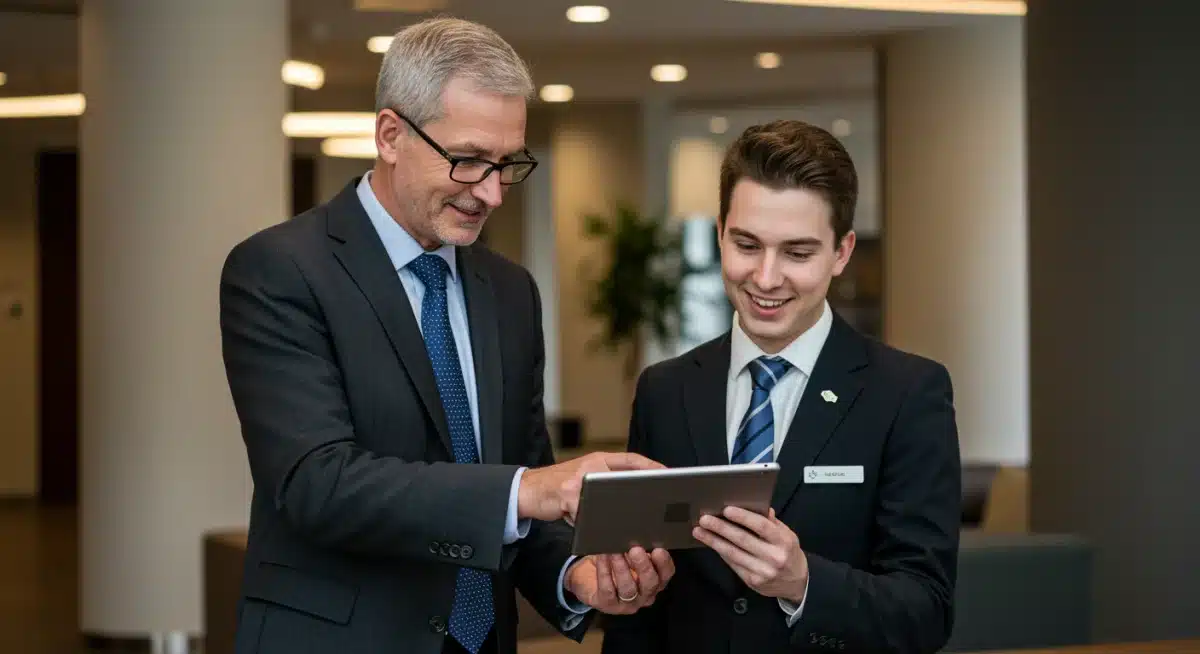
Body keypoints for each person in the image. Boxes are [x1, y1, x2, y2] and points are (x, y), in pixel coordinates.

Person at [219, 17, 673, 654]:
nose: (489, 192)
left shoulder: (511, 292)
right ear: (390, 134)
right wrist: (529, 489)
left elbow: (524, 477)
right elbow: (316, 483)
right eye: (467, 161)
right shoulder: (281, 270)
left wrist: (577, 576)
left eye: (506, 164)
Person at [600, 119, 961, 654]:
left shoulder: (907, 394)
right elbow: (639, 613)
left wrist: (802, 581)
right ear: (720, 232)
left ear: (841, 253)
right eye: (747, 244)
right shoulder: (665, 390)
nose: (766, 278)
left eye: (797, 253)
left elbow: (926, 610)